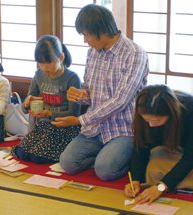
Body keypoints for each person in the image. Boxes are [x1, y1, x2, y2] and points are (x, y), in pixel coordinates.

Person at [59, 4, 149, 181]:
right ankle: (106, 155)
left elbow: (121, 100)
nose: (85, 40)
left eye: (86, 34)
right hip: (95, 128)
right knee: (68, 163)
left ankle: (118, 157)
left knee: (105, 171)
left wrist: (79, 120)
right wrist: (79, 95)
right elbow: (91, 94)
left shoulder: (134, 53)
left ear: (102, 31)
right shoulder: (92, 53)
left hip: (124, 128)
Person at [124, 84, 193, 204]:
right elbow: (141, 147)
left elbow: (191, 156)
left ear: (171, 113)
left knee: (188, 177)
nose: (151, 125)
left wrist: (160, 187)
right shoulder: (144, 110)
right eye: (146, 120)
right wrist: (135, 181)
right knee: (152, 170)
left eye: (157, 121)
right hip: (169, 149)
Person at [10, 35, 82, 164]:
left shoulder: (72, 78)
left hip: (64, 127)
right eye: (40, 62)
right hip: (44, 125)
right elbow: (25, 108)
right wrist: (27, 104)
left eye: (48, 62)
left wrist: (49, 113)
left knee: (36, 157)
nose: (44, 67)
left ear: (61, 57)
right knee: (21, 152)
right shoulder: (39, 74)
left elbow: (73, 114)